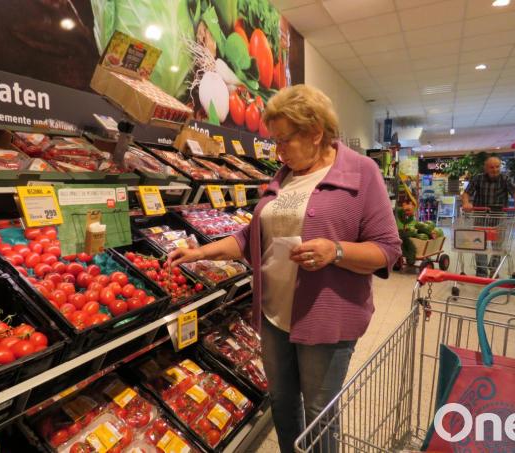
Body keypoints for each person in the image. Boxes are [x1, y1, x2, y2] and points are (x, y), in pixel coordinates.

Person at [168, 84, 402, 452]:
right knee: (283, 403)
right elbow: (251, 237)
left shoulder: (362, 172)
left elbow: (388, 250)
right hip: (274, 317)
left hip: (326, 321)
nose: (277, 151)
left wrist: (335, 251)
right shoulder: (284, 175)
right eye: (274, 141)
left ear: (315, 132)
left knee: (319, 413)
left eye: (284, 140)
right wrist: (200, 252)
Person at [461, 155, 515, 277]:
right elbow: (466, 194)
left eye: (497, 167)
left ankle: (494, 270)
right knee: (479, 243)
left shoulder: (505, 179)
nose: (495, 169)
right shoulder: (478, 179)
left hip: (499, 216)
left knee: (498, 246)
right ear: (486, 168)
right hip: (480, 215)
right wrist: (466, 203)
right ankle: (481, 271)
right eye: (491, 167)